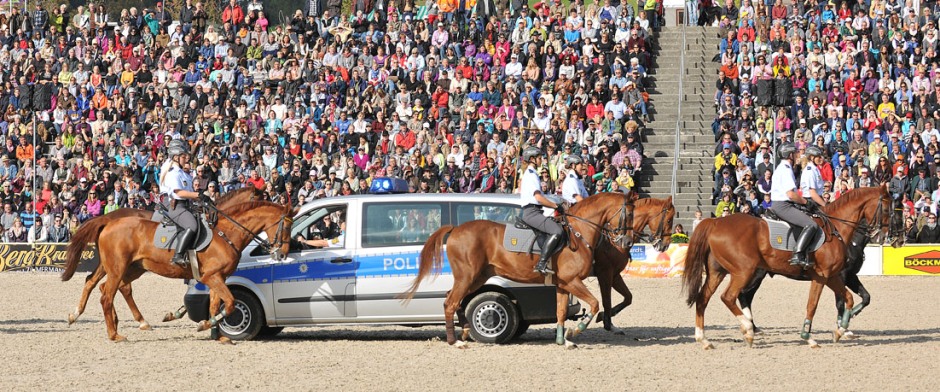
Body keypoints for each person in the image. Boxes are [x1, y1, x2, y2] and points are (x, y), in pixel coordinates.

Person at [769, 144, 823, 268]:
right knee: (811, 224)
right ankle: (797, 255)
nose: (798, 155)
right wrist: (805, 202)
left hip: (785, 204)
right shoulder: (786, 169)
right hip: (783, 205)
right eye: (795, 153)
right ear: (790, 155)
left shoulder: (784, 167)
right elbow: (791, 194)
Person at [162, 140, 209, 265]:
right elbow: (179, 193)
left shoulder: (184, 174)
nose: (186, 159)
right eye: (183, 157)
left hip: (187, 205)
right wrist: (198, 195)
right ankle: (177, 256)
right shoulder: (173, 174)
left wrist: (204, 200)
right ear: (176, 158)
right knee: (192, 225)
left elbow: (189, 194)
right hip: (177, 206)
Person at [519, 146, 564, 275]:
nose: (541, 160)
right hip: (531, 212)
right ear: (532, 159)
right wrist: (555, 206)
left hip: (535, 211)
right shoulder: (531, 175)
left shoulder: (531, 173)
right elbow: (538, 198)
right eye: (539, 158)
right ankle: (541, 264)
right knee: (557, 231)